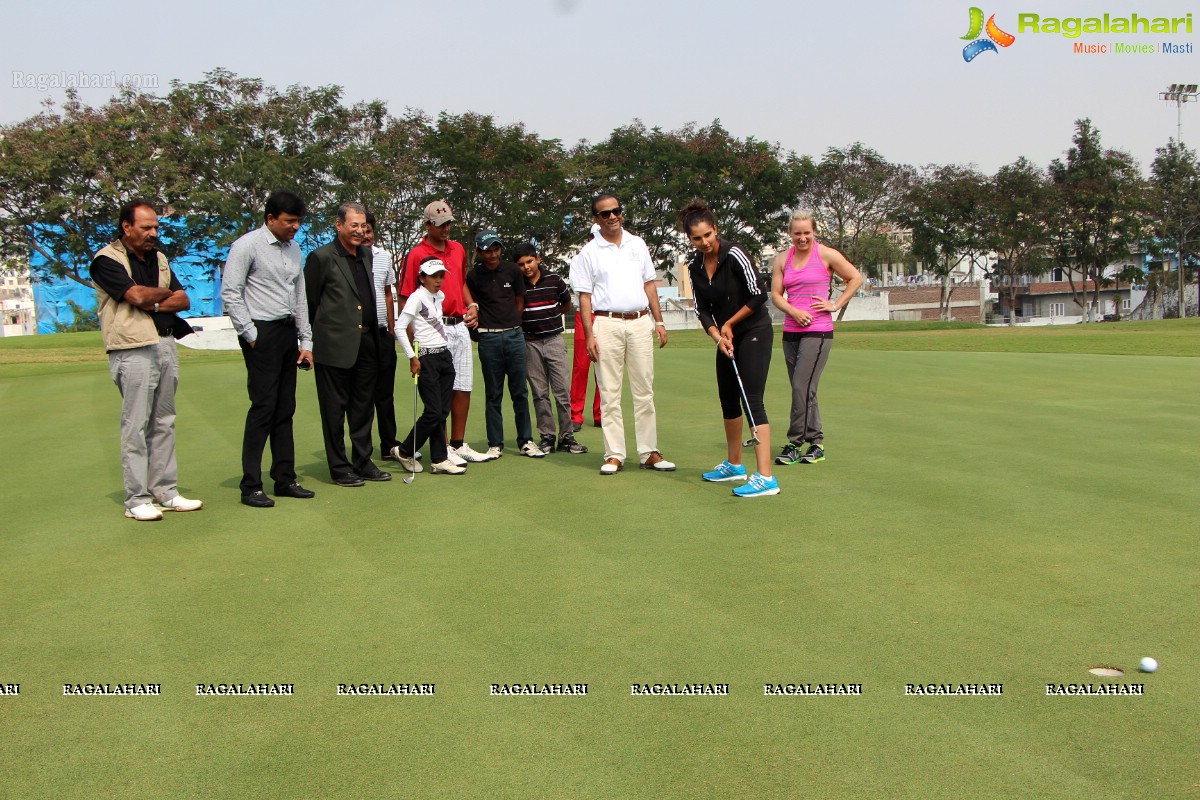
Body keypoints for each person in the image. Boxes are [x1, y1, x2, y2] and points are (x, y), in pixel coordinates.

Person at [91, 199, 202, 520]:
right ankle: (136, 498)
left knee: (164, 422)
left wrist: (153, 300)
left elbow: (183, 299)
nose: (153, 233)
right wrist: (156, 297)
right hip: (131, 348)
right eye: (146, 227)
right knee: (136, 424)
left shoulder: (161, 259)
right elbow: (134, 296)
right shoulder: (105, 260)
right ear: (127, 227)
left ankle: (166, 491)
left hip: (165, 343)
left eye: (156, 227)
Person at [221, 190, 316, 508]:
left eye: (298, 222)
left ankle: (285, 478)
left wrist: (307, 340)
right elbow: (231, 292)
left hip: (288, 331)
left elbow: (299, 294)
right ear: (271, 218)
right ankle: (251, 486)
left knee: (285, 408)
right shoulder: (247, 245)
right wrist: (250, 334)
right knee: (263, 406)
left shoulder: (295, 249)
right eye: (289, 221)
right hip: (261, 332)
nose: (295, 227)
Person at [569, 193, 674, 475]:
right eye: (605, 213)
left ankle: (649, 452)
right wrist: (590, 335)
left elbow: (649, 285)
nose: (612, 216)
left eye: (616, 211)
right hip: (606, 323)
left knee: (645, 392)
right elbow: (585, 298)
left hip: (640, 321)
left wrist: (659, 321)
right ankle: (614, 454)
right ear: (596, 219)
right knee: (609, 393)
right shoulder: (588, 253)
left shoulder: (637, 244)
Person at [680, 199, 778, 498]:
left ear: (715, 230)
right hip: (726, 337)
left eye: (708, 235)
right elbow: (701, 308)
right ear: (690, 239)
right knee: (728, 399)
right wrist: (717, 335)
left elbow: (759, 293)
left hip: (754, 331)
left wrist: (730, 324)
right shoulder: (695, 266)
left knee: (752, 400)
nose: (704, 242)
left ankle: (766, 478)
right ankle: (735, 465)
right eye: (697, 238)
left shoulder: (734, 253)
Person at [304, 202, 392, 486]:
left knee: (363, 407)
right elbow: (311, 303)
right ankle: (340, 468)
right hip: (334, 346)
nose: (359, 230)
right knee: (334, 410)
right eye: (353, 224)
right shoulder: (321, 257)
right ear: (338, 225)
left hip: (368, 341)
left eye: (363, 225)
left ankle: (363, 462)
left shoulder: (366, 254)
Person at [398, 201, 490, 464]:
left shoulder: (458, 249)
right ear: (427, 225)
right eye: (440, 225)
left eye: (449, 223)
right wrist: (416, 340)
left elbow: (459, 282)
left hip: (459, 325)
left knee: (462, 386)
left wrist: (472, 305)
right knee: (439, 394)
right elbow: (406, 298)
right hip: (432, 332)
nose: (446, 229)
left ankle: (459, 444)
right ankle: (444, 447)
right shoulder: (417, 254)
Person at [770, 210, 863, 466]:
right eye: (797, 233)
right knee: (804, 389)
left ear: (814, 232)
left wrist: (836, 304)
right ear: (790, 234)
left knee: (801, 386)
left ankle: (795, 443)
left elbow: (855, 278)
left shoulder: (826, 255)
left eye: (807, 233)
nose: (802, 238)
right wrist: (793, 311)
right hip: (791, 332)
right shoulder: (781, 260)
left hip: (818, 331)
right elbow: (777, 295)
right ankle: (816, 443)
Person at [466, 230, 544, 459]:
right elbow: (471, 303)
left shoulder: (512, 270)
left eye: (496, 248)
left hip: (513, 336)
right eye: (487, 250)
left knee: (519, 390)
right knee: (493, 393)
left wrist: (512, 324)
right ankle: (495, 443)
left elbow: (519, 301)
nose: (492, 254)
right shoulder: (474, 276)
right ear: (479, 252)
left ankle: (526, 441)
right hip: (488, 338)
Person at [513, 241, 587, 455]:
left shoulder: (554, 279)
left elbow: (566, 304)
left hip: (554, 339)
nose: (526, 267)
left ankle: (567, 437)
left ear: (537, 259)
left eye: (529, 261)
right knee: (539, 393)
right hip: (530, 342)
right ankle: (547, 436)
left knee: (562, 391)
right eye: (521, 264)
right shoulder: (518, 285)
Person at [393, 257, 464, 475]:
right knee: (433, 412)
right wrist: (412, 357)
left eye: (441, 275)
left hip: (444, 356)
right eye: (434, 276)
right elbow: (399, 328)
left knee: (442, 411)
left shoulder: (438, 296)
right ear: (422, 278)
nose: (439, 280)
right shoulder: (417, 298)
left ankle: (439, 459)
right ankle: (405, 450)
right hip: (426, 358)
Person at [363, 214, 401, 464]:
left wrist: (391, 327)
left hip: (382, 333)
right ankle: (362, 450)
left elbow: (388, 294)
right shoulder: (349, 258)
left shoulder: (384, 257)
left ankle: (389, 445)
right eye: (359, 229)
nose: (365, 234)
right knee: (363, 396)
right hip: (360, 335)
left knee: (386, 395)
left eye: (368, 230)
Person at [569, 225, 602, 432]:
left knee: (605, 366)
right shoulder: (579, 258)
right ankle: (576, 414)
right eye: (594, 236)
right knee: (581, 366)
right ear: (589, 237)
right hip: (585, 313)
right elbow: (578, 286)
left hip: (606, 313)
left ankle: (601, 413)